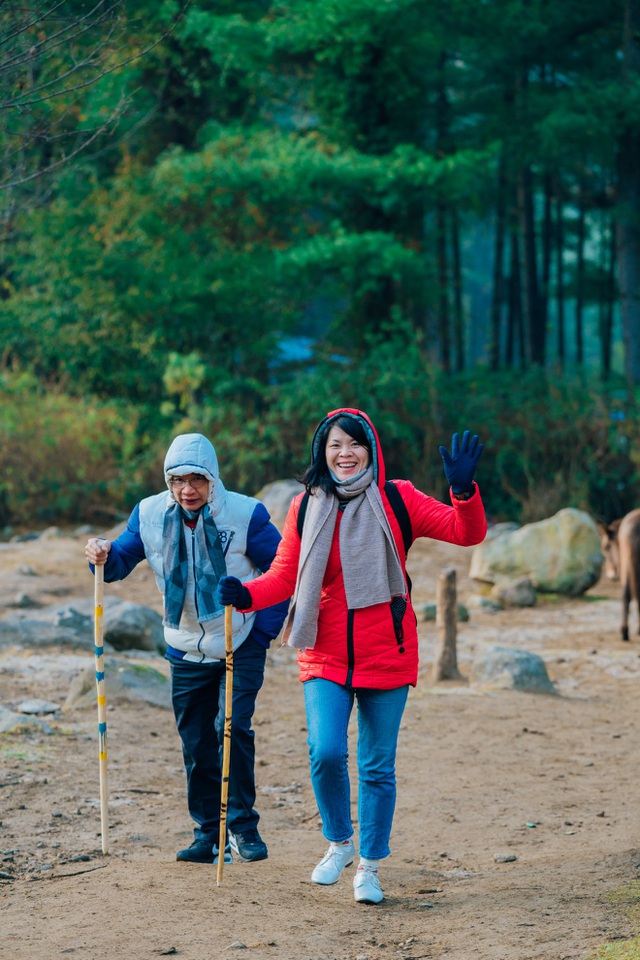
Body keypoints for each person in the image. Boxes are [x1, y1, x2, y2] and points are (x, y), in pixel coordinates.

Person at [217, 407, 487, 904]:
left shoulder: (397, 499)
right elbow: (284, 573)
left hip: (387, 650)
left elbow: (465, 533)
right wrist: (247, 594)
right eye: (335, 445)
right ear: (323, 451)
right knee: (325, 752)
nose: (345, 453)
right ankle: (338, 843)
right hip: (324, 651)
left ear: (371, 448)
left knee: (377, 767)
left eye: (354, 443)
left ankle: (370, 866)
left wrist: (464, 493)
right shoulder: (305, 506)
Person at [85, 433, 288, 865]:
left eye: (196, 479)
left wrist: (263, 632)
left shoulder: (246, 514)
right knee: (196, 741)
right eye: (177, 480)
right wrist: (101, 554)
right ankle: (207, 833)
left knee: (230, 729)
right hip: (183, 645)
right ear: (167, 480)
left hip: (239, 639)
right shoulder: (150, 513)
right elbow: (120, 560)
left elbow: (283, 572)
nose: (187, 489)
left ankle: (242, 827)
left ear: (212, 478)